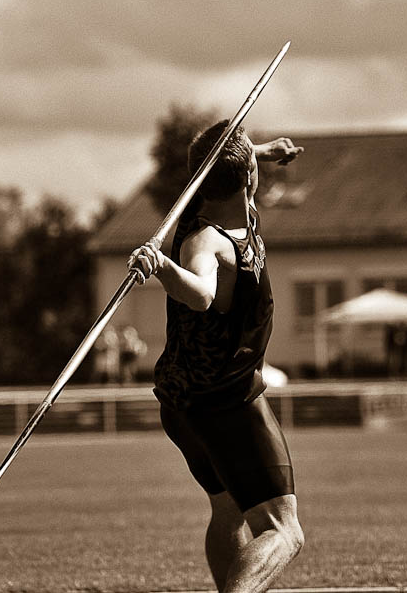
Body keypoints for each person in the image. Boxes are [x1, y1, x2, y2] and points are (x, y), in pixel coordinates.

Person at [127, 121, 304, 593]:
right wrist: (163, 267)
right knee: (284, 530)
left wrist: (261, 150)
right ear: (247, 177)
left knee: (228, 509)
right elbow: (202, 293)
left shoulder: (209, 202)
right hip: (226, 403)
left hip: (182, 403)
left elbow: (226, 163)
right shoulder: (208, 241)